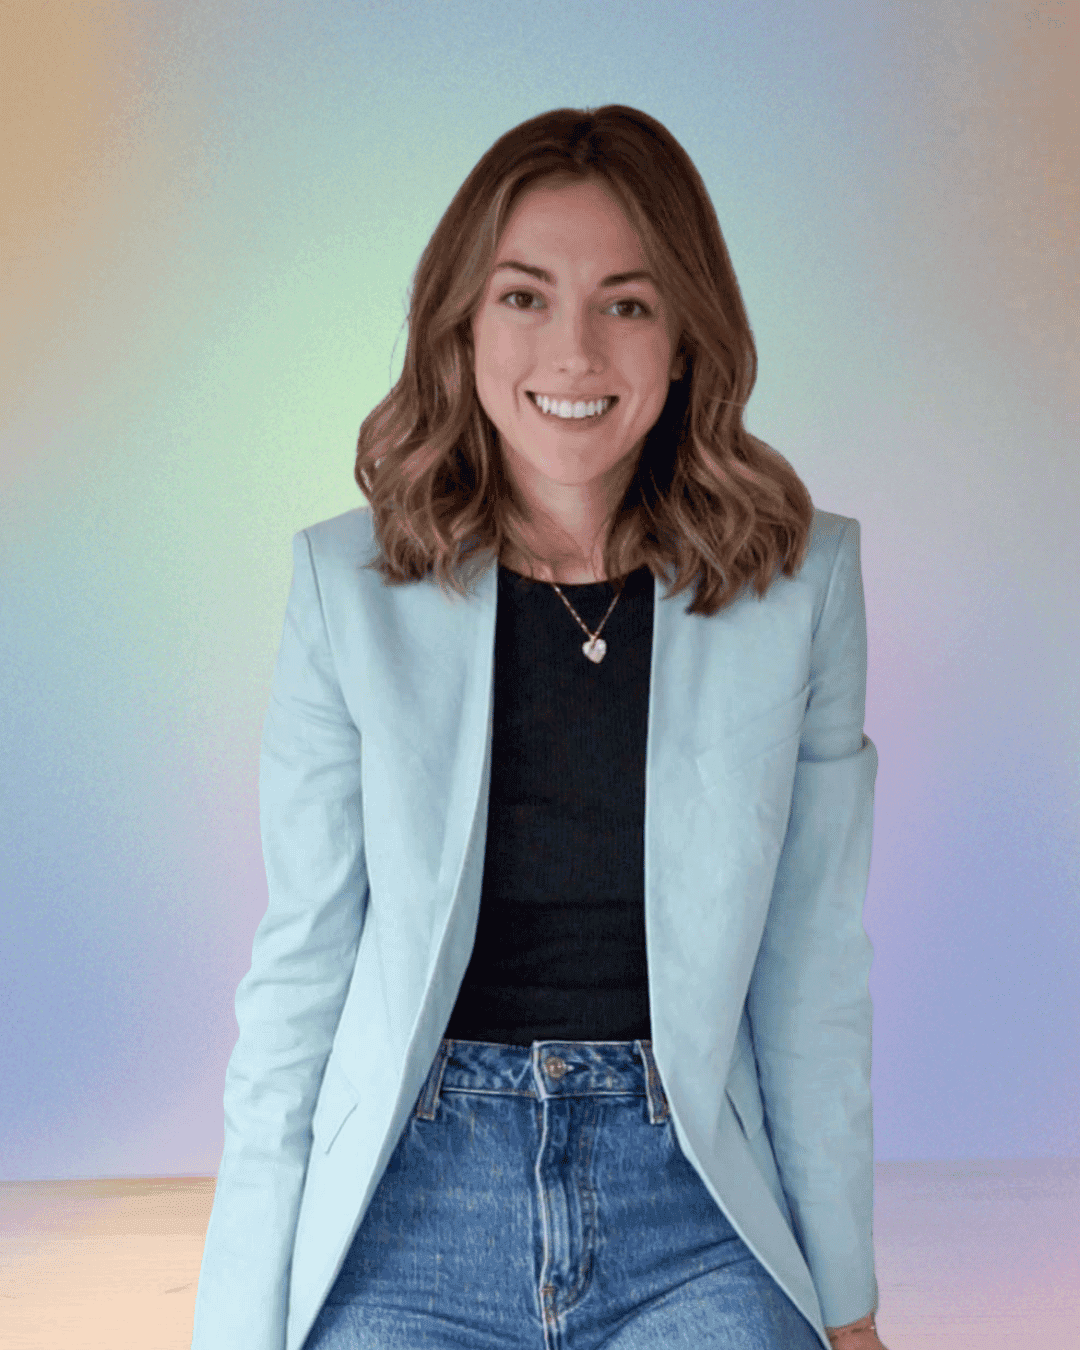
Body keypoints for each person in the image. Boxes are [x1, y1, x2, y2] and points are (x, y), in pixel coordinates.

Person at [191, 104, 888, 1350]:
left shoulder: (803, 587)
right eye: (523, 297)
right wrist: (237, 1330)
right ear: (461, 327)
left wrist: (848, 1307)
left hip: (691, 1210)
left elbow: (812, 972)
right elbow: (299, 973)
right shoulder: (343, 592)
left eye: (625, 302)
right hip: (416, 1202)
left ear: (686, 339)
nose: (573, 352)